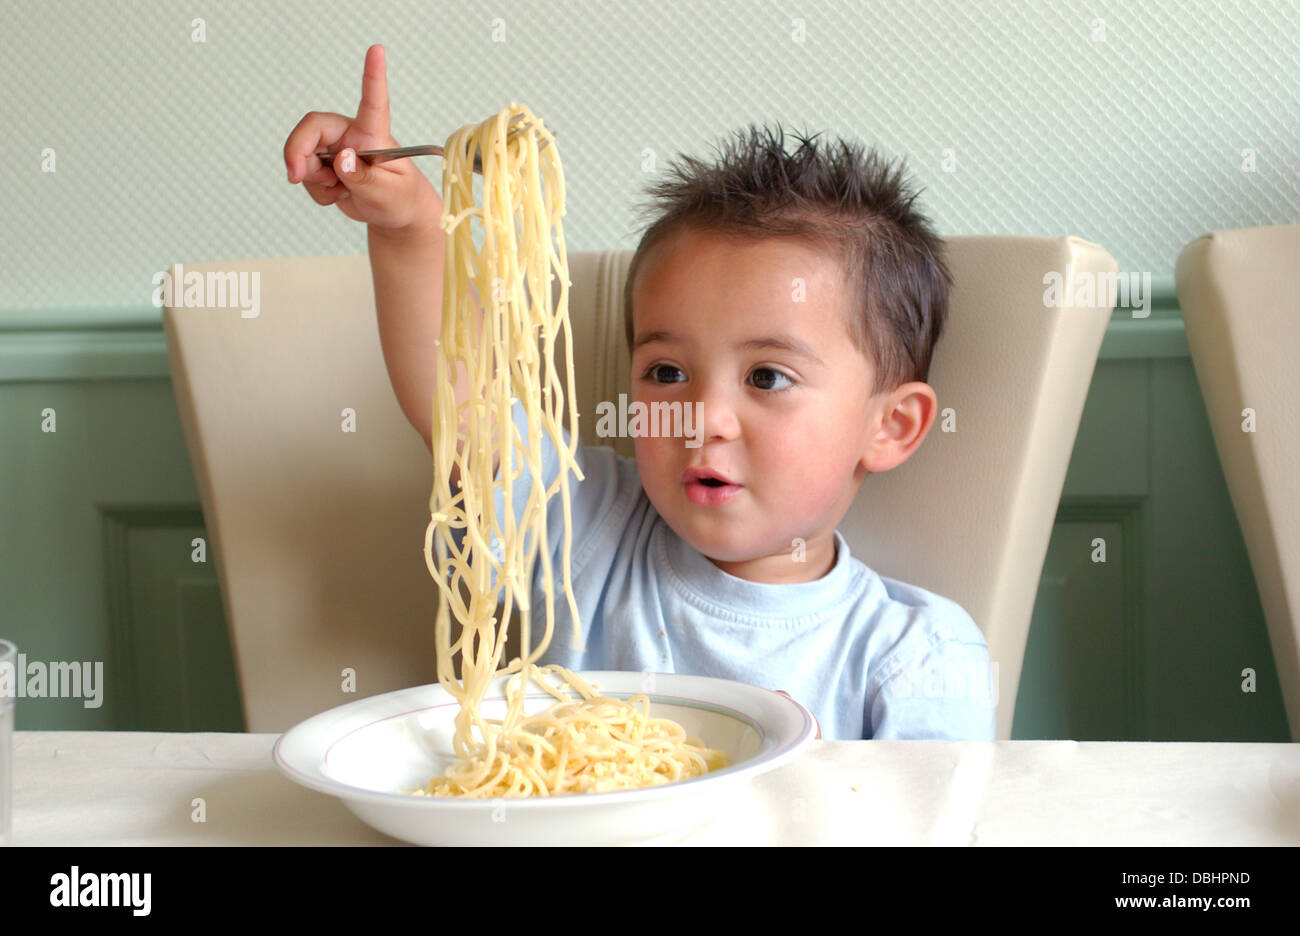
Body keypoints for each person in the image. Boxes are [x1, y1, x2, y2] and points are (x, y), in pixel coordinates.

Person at [284, 44, 996, 741]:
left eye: (768, 378)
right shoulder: (593, 529)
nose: (704, 418)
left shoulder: (917, 658)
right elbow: (466, 403)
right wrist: (407, 223)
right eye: (665, 372)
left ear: (892, 426)